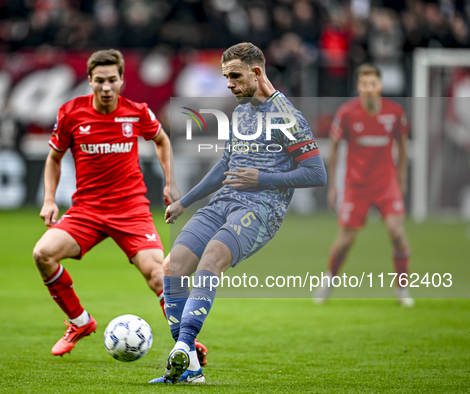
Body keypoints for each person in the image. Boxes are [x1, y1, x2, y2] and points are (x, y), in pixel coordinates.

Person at [150, 42, 327, 384]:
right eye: (225, 77)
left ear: (257, 73)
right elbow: (226, 165)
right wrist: (185, 201)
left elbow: (317, 173)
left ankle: (184, 349)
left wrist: (263, 177)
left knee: (211, 260)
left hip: (260, 209)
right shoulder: (242, 111)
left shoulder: (286, 116)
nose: (228, 84)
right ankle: (189, 365)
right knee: (171, 267)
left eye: (234, 76)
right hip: (223, 202)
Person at [32, 49, 200, 358]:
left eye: (112, 80)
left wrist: (170, 182)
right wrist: (48, 200)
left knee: (158, 275)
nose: (106, 88)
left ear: (122, 80)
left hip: (131, 209)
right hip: (87, 210)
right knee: (43, 254)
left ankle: (185, 342)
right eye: (99, 81)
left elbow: (162, 140)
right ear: (90, 80)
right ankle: (79, 322)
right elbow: (54, 158)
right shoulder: (71, 113)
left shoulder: (136, 111)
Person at [313, 63, 413, 307]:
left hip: (386, 183)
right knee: (346, 240)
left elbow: (402, 146)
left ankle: (402, 288)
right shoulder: (347, 113)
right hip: (356, 185)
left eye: (373, 83)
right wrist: (334, 185)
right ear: (358, 86)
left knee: (397, 233)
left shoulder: (394, 112)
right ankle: (328, 280)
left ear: (380, 85)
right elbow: (334, 147)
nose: (369, 88)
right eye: (364, 84)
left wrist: (402, 178)